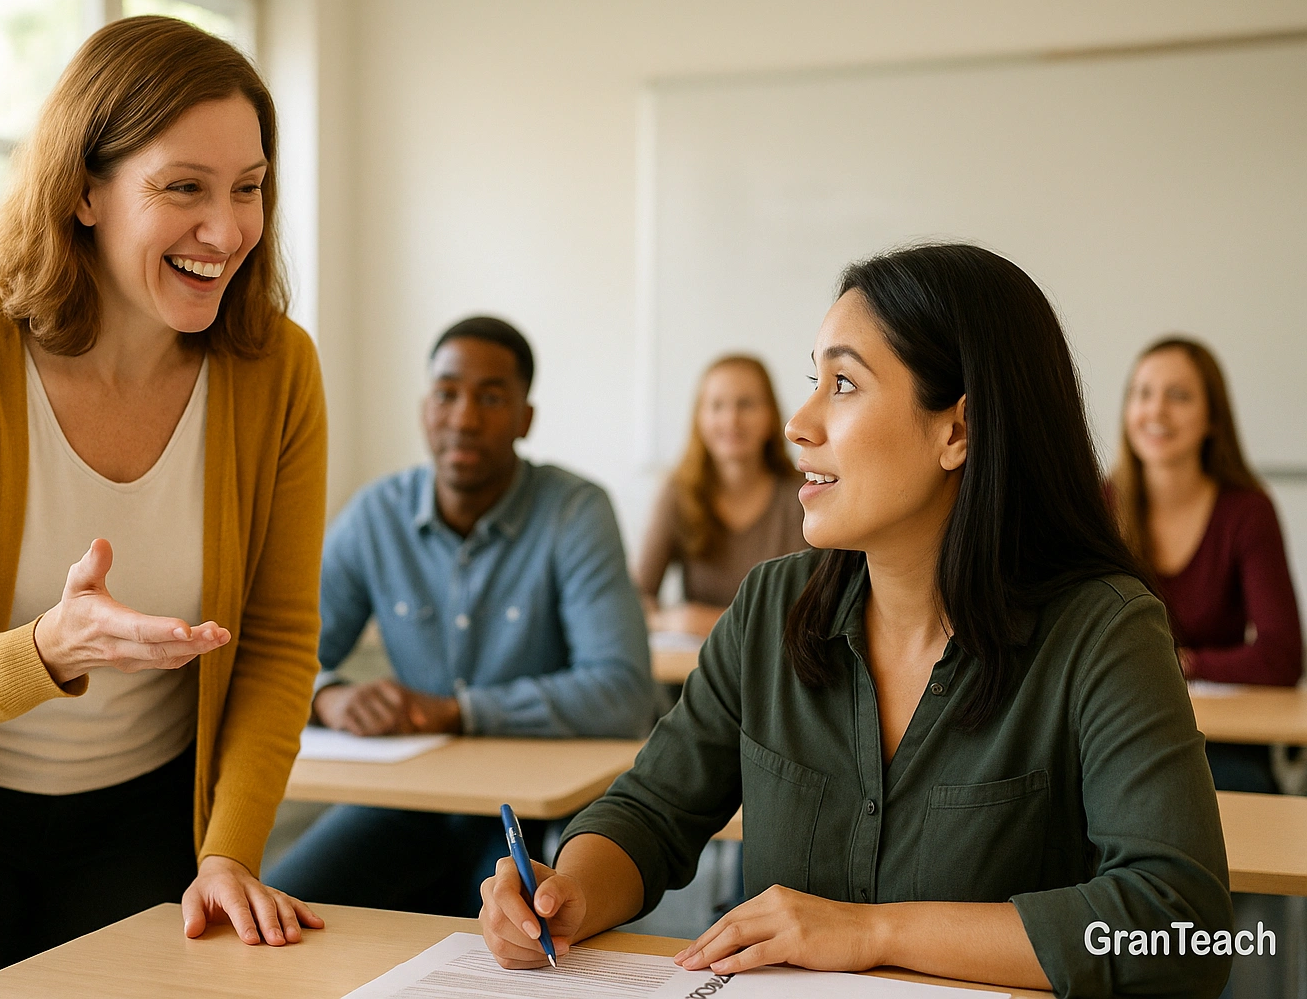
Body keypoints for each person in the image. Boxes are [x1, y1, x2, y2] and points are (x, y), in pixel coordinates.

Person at [479, 244, 1232, 999]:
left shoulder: (1105, 633)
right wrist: (567, 891)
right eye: (814, 380)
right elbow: (652, 812)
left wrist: (871, 932)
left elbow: (1179, 926)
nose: (798, 425)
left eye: (842, 384)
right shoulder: (771, 606)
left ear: (958, 432)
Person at [0, 17, 326, 999]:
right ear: (85, 191)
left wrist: (230, 850)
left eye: (248, 187)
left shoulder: (277, 370)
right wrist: (52, 646)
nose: (226, 229)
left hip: (140, 816)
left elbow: (276, 640)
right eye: (184, 187)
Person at [262, 315, 654, 918]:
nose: (464, 418)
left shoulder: (576, 513)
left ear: (525, 418)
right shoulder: (377, 515)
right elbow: (282, 654)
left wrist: (459, 712)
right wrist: (327, 698)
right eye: (447, 394)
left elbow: (623, 694)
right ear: (425, 408)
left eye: (491, 398)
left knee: (512, 941)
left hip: (528, 815)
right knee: (271, 913)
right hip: (407, 804)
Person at [1109, 337, 1302, 794]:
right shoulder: (1099, 507)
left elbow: (1282, 656)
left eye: (1178, 395)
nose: (1156, 411)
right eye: (1143, 393)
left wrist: (1186, 663)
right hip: (1123, 720)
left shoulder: (1247, 511)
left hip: (1224, 737)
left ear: (1213, 418)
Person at [634, 355, 807, 613]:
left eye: (746, 404)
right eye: (717, 406)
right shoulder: (678, 494)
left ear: (771, 416)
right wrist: (669, 621)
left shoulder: (804, 497)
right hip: (695, 654)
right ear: (699, 418)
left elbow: (814, 613)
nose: (731, 420)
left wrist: (705, 623)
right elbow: (636, 599)